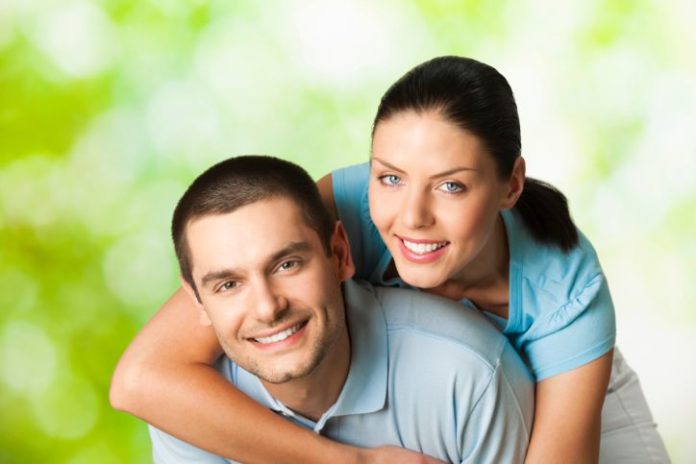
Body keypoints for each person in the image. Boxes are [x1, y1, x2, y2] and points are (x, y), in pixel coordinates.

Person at [111, 56, 670, 463]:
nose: (411, 216)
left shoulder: (566, 296)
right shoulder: (344, 208)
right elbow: (142, 379)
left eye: (451, 186)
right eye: (391, 178)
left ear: (510, 185)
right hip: (406, 402)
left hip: (565, 395)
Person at [147, 155, 534, 463]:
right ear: (197, 300)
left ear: (340, 255)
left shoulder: (469, 376)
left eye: (287, 265)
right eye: (229, 285)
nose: (267, 308)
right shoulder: (190, 416)